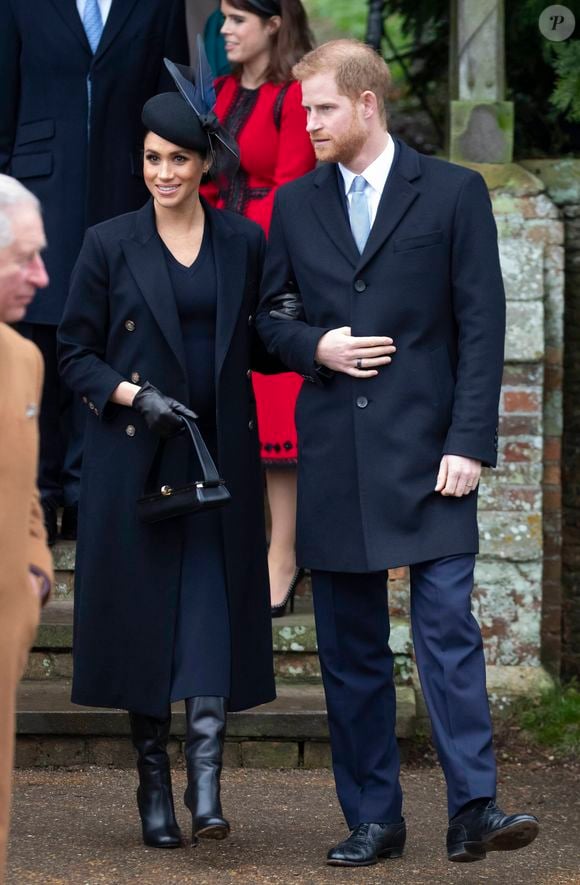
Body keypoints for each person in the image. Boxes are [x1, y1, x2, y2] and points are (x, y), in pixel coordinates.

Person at [256, 39, 540, 867]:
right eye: (303, 110)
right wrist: (319, 346)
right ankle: (375, 818)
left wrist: (470, 444)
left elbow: (483, 327)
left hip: (432, 458)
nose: (306, 122)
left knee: (448, 631)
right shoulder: (295, 204)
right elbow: (268, 322)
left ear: (367, 103)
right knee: (349, 650)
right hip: (336, 457)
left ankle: (473, 810)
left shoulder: (452, 193)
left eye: (321, 108)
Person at [57, 58, 276, 850]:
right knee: (145, 624)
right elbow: (75, 352)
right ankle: (154, 784)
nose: (162, 172)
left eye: (177, 158)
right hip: (134, 460)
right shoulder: (108, 243)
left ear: (205, 163)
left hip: (218, 460)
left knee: (211, 617)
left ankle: (206, 786)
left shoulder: (243, 242)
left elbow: (268, 332)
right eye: (151, 158)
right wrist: (131, 396)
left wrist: (323, 346)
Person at [0, 0, 189, 545]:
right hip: (37, 191)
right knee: (38, 335)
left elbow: (169, 97)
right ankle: (39, 491)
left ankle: (87, 494)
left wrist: (163, 185)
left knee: (108, 337)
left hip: (123, 189)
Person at [201, 0, 316, 614]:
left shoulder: (294, 97)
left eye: (237, 20)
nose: (225, 31)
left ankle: (283, 555)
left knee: (274, 410)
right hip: (213, 252)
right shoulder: (215, 91)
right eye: (222, 19)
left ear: (273, 23)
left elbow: (298, 187)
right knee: (220, 399)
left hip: (269, 259)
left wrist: (269, 264)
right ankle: (233, 549)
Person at [0, 175, 52, 884]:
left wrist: (37, 566)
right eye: (24, 257)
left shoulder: (26, 359)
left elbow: (27, 488)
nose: (44, 276)